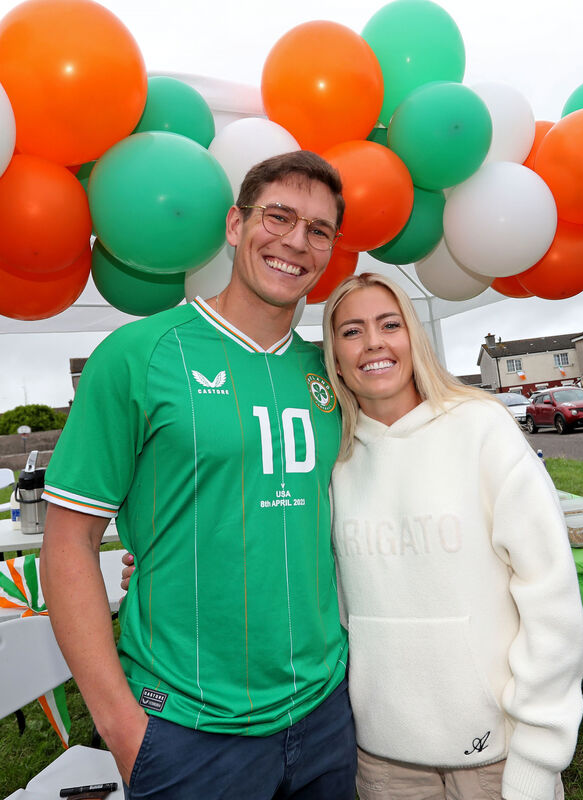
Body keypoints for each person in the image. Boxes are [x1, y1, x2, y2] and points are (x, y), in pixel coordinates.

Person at [39, 151, 357, 800]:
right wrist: (123, 727)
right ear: (236, 225)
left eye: (318, 230)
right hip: (187, 731)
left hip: (326, 715)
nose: (295, 241)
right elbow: (68, 543)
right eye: (278, 216)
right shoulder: (140, 354)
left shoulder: (334, 372)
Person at [321, 272, 583, 800]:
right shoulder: (333, 460)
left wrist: (538, 754)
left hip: (499, 756)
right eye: (351, 331)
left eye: (389, 324)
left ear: (413, 337)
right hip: (382, 761)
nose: (373, 342)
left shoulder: (482, 429)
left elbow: (552, 600)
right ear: (333, 356)